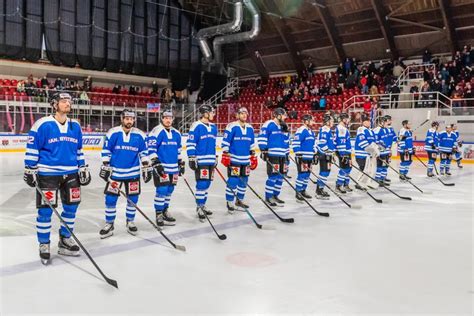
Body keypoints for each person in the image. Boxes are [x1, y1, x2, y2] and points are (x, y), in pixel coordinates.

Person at [23, 92, 91, 264]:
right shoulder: (42, 124)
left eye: (69, 101)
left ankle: (65, 239)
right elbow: (32, 148)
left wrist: (82, 167)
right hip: (48, 174)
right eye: (63, 101)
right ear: (54, 104)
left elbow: (79, 150)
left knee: (71, 208)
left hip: (71, 174)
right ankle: (44, 243)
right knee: (45, 211)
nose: (67, 103)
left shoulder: (75, 126)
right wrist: (30, 169)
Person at [98, 109, 150, 238]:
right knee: (110, 199)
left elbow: (143, 152)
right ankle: (109, 223)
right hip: (115, 173)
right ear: (122, 119)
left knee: (133, 199)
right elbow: (106, 150)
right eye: (127, 118)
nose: (129, 121)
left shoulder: (140, 135)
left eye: (131, 119)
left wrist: (146, 166)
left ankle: (130, 221)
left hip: (133, 173)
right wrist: (105, 165)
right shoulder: (113, 133)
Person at [147, 109, 184, 226]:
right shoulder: (156, 131)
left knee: (170, 190)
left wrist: (180, 163)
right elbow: (151, 149)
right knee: (161, 191)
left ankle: (164, 210)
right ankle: (158, 213)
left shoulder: (177, 133)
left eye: (170, 118)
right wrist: (156, 163)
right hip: (161, 167)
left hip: (173, 168)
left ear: (173, 119)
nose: (168, 120)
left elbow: (178, 150)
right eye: (166, 118)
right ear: (162, 118)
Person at [220, 107, 258, 213]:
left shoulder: (250, 128)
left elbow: (251, 145)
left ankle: (239, 200)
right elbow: (225, 142)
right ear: (237, 115)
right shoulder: (232, 126)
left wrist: (253, 156)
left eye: (246, 113)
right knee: (233, 181)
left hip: (245, 160)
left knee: (244, 181)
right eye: (242, 113)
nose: (244, 115)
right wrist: (225, 154)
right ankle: (230, 202)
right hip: (235, 160)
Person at [186, 105, 217, 221]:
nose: (213, 114)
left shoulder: (214, 127)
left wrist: (215, 157)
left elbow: (213, 144)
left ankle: (203, 205)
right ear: (205, 113)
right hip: (201, 161)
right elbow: (190, 143)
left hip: (210, 161)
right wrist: (192, 157)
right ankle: (199, 207)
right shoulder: (196, 126)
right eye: (211, 112)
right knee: (202, 184)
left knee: (207, 184)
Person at [258, 107, 289, 207]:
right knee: (273, 177)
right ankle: (268, 197)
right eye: (284, 115)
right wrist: (264, 150)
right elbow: (262, 137)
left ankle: (275, 195)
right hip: (273, 155)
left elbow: (286, 141)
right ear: (278, 115)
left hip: (282, 155)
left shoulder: (283, 126)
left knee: (281, 176)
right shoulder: (269, 124)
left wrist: (287, 153)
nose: (285, 118)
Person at [292, 114, 316, 202]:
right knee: (302, 175)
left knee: (307, 175)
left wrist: (314, 153)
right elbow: (295, 142)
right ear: (306, 121)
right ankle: (298, 192)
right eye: (311, 120)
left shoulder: (311, 131)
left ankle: (303, 190)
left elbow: (314, 144)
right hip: (302, 157)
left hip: (309, 157)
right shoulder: (301, 130)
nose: (313, 122)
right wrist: (298, 154)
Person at [354, 114, 379, 189]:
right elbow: (362, 142)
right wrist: (372, 151)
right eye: (367, 121)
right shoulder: (361, 129)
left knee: (370, 170)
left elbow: (373, 142)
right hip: (361, 154)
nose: (369, 122)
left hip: (369, 154)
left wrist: (376, 149)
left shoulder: (371, 131)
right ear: (363, 122)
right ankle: (358, 183)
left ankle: (368, 182)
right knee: (363, 169)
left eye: (369, 121)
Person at [315, 114, 335, 199]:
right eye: (332, 120)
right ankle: (319, 191)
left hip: (326, 154)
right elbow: (322, 143)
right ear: (327, 121)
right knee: (324, 172)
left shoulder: (328, 130)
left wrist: (331, 153)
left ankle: (320, 189)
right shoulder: (325, 129)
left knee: (325, 172)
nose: (333, 122)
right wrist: (328, 151)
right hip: (324, 154)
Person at [334, 113, 353, 193]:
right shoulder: (341, 128)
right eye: (348, 119)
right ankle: (338, 185)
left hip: (346, 151)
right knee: (344, 168)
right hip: (343, 152)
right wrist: (343, 154)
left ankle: (345, 184)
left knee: (348, 168)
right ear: (344, 119)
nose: (349, 120)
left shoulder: (343, 128)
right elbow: (341, 142)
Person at [373, 116, 392, 186]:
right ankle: (378, 179)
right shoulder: (376, 130)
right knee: (380, 166)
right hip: (381, 152)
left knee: (385, 166)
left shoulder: (386, 129)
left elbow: (387, 140)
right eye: (385, 122)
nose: (387, 123)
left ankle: (382, 178)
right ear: (381, 122)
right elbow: (375, 141)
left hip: (386, 151)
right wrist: (379, 149)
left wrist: (389, 149)